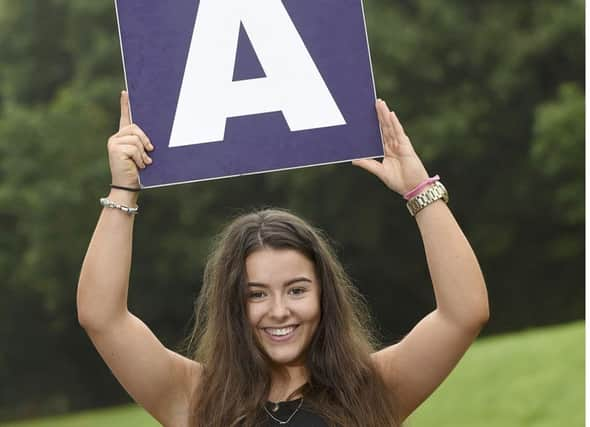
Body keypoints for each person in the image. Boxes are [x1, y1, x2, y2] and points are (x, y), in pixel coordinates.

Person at [77, 91, 489, 427]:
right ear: (232, 304)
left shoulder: (372, 389)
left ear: (324, 295)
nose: (279, 311)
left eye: (296, 289)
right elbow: (103, 318)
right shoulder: (196, 399)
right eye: (256, 294)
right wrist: (122, 189)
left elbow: (463, 313)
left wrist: (419, 189)